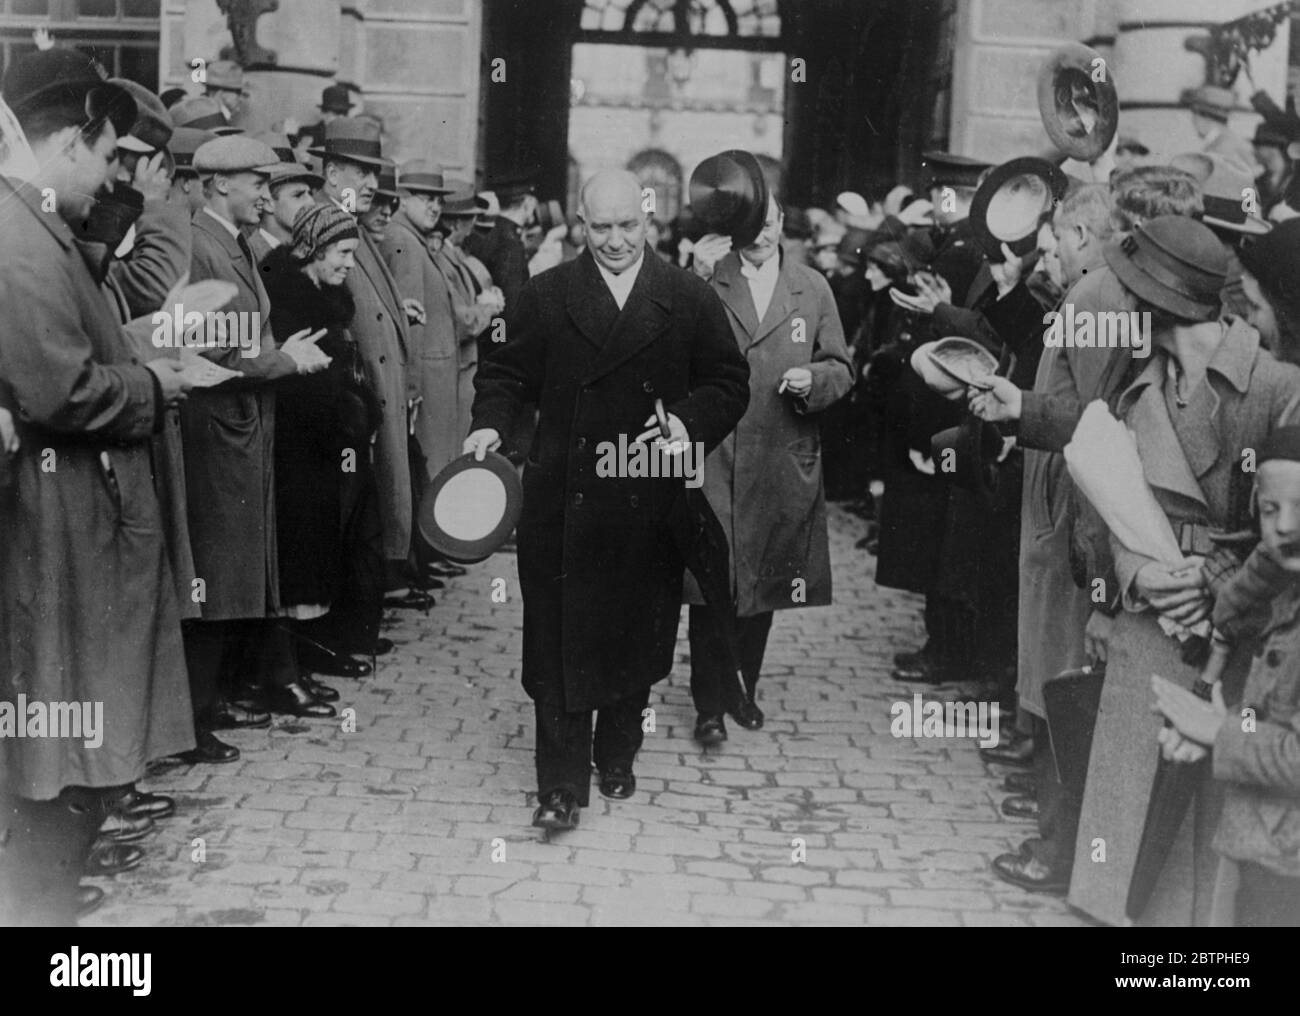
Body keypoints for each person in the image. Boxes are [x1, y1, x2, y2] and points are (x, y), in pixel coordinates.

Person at [464, 169, 749, 831]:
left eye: (628, 226)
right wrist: (490, 422)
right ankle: (559, 787)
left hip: (648, 501)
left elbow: (728, 381)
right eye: (602, 227)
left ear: (647, 222)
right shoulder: (544, 295)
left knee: (634, 633)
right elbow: (502, 368)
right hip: (562, 503)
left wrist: (686, 422)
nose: (615, 240)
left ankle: (618, 748)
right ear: (581, 227)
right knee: (558, 641)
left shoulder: (686, 298)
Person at [0, 49, 194, 922]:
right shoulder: (17, 239)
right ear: (72, 139)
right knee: (61, 748)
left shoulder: (37, 229)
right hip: (60, 526)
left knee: (75, 741)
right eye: (112, 155)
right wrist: (157, 384)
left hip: (75, 517)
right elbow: (60, 391)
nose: (117, 176)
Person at [1067, 216, 1300, 926]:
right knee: (1123, 850)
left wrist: (1213, 574)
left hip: (1233, 641)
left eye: (1128, 291)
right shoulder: (1131, 382)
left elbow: (1289, 527)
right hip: (1149, 628)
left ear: (1155, 303)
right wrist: (1135, 571)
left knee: (1200, 868)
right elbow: (1094, 518)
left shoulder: (1276, 384)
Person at [180, 135, 335, 743]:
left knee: (235, 569)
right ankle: (194, 720)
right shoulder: (200, 246)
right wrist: (283, 362)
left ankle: (212, 703)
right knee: (215, 571)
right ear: (221, 184)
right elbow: (200, 352)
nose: (267, 196)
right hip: (216, 433)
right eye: (259, 184)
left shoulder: (230, 243)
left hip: (242, 428)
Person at [686, 191, 853, 742]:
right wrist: (694, 276)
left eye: (771, 222)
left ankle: (743, 686)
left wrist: (816, 382)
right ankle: (709, 702)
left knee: (764, 578)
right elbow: (676, 349)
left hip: (782, 448)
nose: (761, 233)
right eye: (751, 224)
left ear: (783, 224)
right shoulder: (709, 278)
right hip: (717, 452)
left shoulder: (812, 287)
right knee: (712, 578)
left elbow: (840, 366)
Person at [1153, 425, 1300, 927]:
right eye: (1269, 509)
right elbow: (1277, 721)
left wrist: (1217, 732)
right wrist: (1223, 730)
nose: (1284, 526)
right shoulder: (1288, 592)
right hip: (1273, 854)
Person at [262, 204, 381, 711]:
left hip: (322, 445)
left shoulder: (323, 296)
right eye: (343, 253)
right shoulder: (289, 298)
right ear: (313, 249)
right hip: (295, 446)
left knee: (315, 553)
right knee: (292, 559)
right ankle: (281, 672)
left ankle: (302, 660)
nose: (349, 264)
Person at [310, 117, 418, 658]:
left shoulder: (349, 222)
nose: (372, 182)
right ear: (331, 172)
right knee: (353, 520)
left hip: (372, 400)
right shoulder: (325, 223)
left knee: (369, 519)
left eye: (374, 171)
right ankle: (340, 636)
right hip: (354, 401)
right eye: (360, 171)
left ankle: (355, 630)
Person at [1180, 85, 1259, 176]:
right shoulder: (1233, 139)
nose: (1194, 122)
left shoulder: (1219, 148)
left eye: (1195, 115)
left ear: (1207, 118)